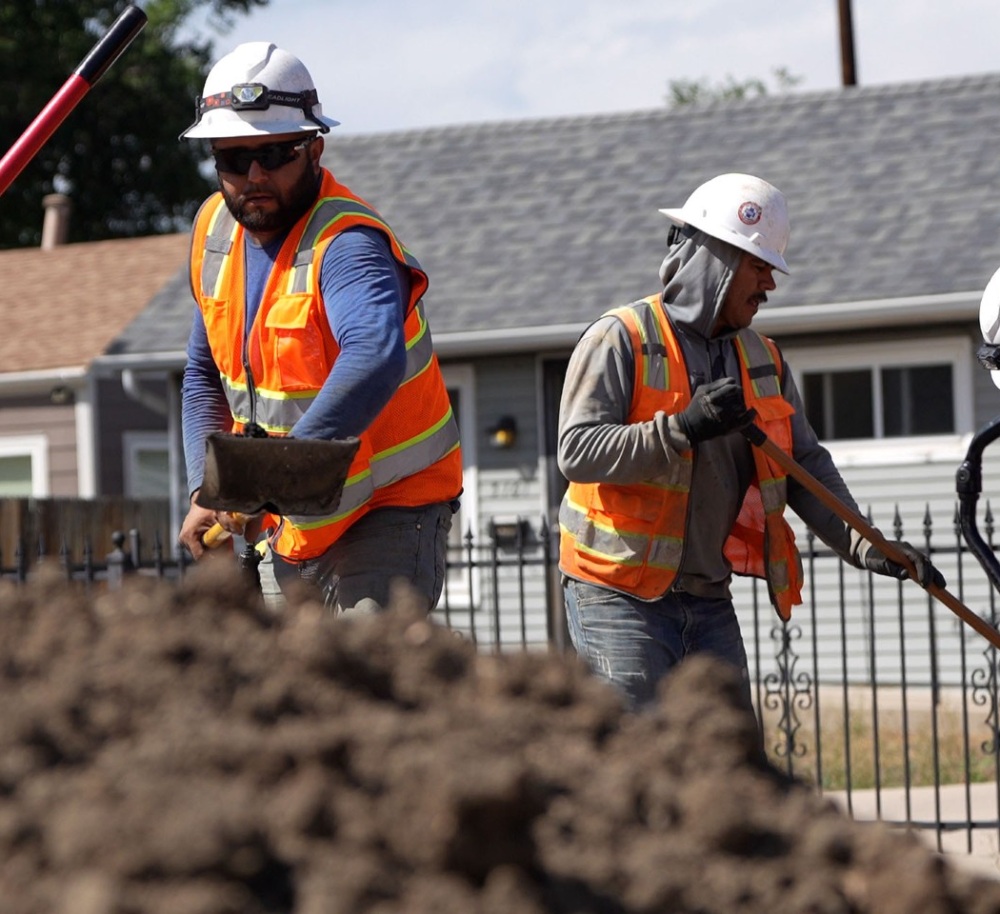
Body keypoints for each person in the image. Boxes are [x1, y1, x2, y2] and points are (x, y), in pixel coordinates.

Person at [557, 172, 944, 711]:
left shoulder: (763, 360)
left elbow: (802, 464)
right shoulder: (621, 338)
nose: (770, 285)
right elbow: (577, 451)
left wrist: (866, 545)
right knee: (637, 757)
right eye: (759, 266)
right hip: (618, 594)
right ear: (716, 260)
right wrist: (681, 428)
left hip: (706, 597)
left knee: (729, 763)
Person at [176, 42, 462, 615]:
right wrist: (209, 491)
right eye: (233, 158)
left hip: (387, 509)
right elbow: (204, 372)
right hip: (291, 524)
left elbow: (374, 356)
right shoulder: (214, 231)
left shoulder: (347, 243)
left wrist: (267, 481)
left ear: (313, 150)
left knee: (366, 675)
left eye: (275, 153)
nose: (254, 175)